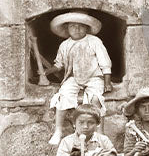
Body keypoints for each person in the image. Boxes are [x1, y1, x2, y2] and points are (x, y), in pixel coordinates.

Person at [46, 12, 112, 146]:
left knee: (95, 98)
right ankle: (58, 130)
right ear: (67, 28)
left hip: (94, 76)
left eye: (81, 26)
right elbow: (59, 64)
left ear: (87, 28)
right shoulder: (65, 45)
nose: (77, 29)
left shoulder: (94, 41)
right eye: (73, 26)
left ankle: (100, 133)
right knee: (64, 94)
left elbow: (105, 62)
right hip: (74, 77)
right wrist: (47, 71)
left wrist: (107, 82)